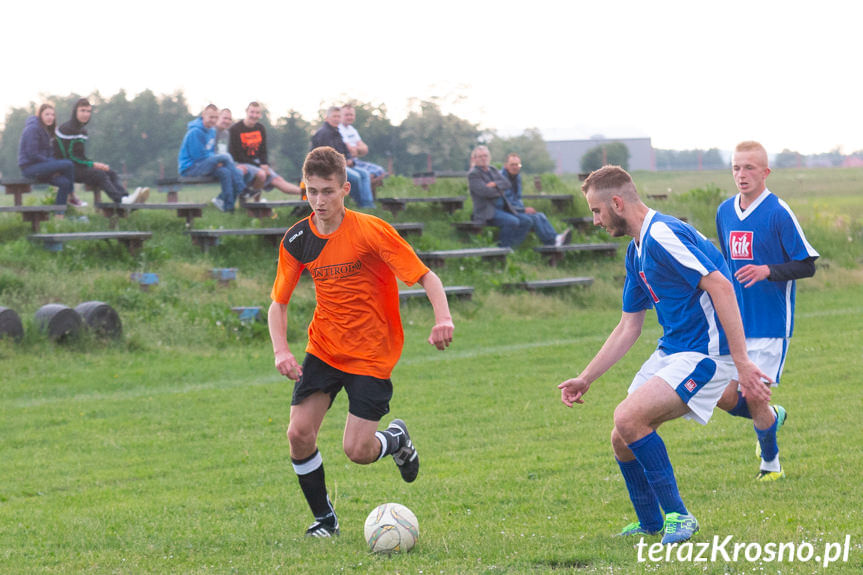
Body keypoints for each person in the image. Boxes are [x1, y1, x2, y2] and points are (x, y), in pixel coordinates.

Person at [557, 165, 770, 545]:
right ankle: (651, 523)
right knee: (622, 436)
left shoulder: (662, 235)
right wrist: (585, 377)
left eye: (597, 211)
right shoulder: (636, 251)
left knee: (628, 416)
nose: (594, 220)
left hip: (706, 354)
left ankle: (680, 517)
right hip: (672, 351)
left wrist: (741, 362)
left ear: (617, 203)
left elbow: (721, 286)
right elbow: (628, 327)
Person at [268, 146, 454, 537]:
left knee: (358, 451)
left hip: (371, 354)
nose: (319, 201)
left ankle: (396, 440)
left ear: (345, 189)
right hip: (324, 349)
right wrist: (281, 350)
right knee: (298, 433)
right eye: (312, 191)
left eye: (328, 192)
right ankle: (325, 521)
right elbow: (278, 303)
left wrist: (443, 319)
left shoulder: (371, 230)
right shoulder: (298, 238)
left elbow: (426, 277)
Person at [715, 141, 819, 481]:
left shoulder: (778, 212)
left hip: (770, 323)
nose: (741, 175)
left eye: (749, 168)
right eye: (736, 168)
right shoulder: (724, 212)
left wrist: (767, 271)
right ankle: (773, 418)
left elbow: (807, 265)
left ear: (765, 172)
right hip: (734, 324)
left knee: (754, 395)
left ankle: (770, 465)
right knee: (718, 392)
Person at [54, 98, 149, 206]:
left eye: (88, 111)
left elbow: (80, 156)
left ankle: (126, 198)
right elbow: (69, 156)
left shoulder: (83, 131)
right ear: (75, 111)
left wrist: (94, 164)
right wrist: (93, 164)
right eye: (82, 110)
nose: (86, 114)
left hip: (77, 166)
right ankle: (120, 201)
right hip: (66, 169)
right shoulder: (66, 129)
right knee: (99, 174)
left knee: (110, 172)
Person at [178, 104, 247, 212]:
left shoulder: (212, 131)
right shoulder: (195, 132)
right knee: (226, 156)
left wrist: (216, 161)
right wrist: (216, 160)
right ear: (203, 115)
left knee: (225, 172)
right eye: (211, 117)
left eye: (216, 117)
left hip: (204, 164)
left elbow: (210, 152)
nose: (213, 120)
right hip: (190, 168)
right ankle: (242, 188)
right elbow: (198, 156)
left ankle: (229, 208)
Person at [229, 101, 302, 201]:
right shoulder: (235, 129)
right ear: (246, 111)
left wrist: (265, 164)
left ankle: (306, 192)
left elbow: (263, 150)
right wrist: (260, 167)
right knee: (261, 174)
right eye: (252, 112)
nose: (254, 115)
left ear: (260, 114)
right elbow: (237, 155)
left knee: (278, 180)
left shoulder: (260, 128)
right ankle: (255, 204)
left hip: (258, 163)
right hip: (242, 163)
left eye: (257, 113)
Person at [501, 153, 572, 247]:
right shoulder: (501, 178)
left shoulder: (517, 177)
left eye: (517, 165)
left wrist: (523, 209)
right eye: (512, 164)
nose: (515, 167)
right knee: (533, 218)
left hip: (516, 209)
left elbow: (517, 199)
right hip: (505, 210)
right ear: (506, 165)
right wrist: (523, 210)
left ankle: (556, 239)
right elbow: (506, 202)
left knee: (539, 215)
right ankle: (552, 241)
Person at [468, 145, 532, 248]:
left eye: (485, 156)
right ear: (474, 159)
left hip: (503, 208)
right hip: (487, 211)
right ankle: (502, 249)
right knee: (512, 221)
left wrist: (495, 185)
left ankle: (513, 248)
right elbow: (485, 192)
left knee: (526, 221)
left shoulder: (492, 170)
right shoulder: (473, 174)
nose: (484, 158)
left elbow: (507, 184)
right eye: (480, 156)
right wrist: (499, 190)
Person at [310, 106, 374, 208]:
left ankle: (368, 204)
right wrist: (343, 162)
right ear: (327, 118)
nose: (337, 119)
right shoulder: (324, 133)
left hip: (340, 164)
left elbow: (344, 150)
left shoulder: (337, 132)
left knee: (365, 174)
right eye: (334, 116)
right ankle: (360, 204)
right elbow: (326, 156)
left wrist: (349, 159)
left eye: (338, 117)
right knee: (355, 177)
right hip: (326, 168)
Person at [17, 104, 76, 214]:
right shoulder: (33, 128)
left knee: (65, 183)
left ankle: (59, 218)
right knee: (68, 164)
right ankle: (72, 195)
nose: (50, 117)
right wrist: (52, 165)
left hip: (41, 167)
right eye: (47, 114)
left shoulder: (46, 130)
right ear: (40, 115)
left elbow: (49, 154)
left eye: (52, 115)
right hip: (30, 168)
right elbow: (32, 154)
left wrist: (52, 167)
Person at [338, 103, 387, 181]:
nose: (349, 117)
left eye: (351, 115)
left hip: (356, 161)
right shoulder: (339, 129)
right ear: (340, 116)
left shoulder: (352, 129)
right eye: (346, 115)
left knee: (380, 171)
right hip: (348, 163)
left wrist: (355, 149)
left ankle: (363, 189)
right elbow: (350, 150)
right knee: (367, 175)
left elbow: (365, 150)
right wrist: (358, 149)